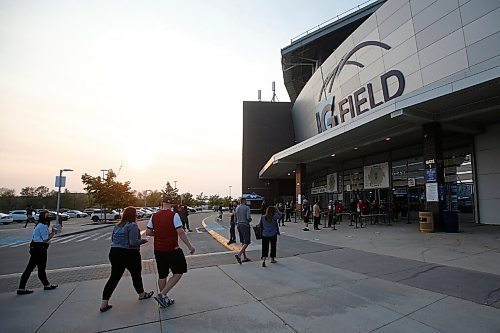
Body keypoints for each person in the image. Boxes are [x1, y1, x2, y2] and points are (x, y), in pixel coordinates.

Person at [100, 206, 152, 312]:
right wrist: (144, 241)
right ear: (133, 215)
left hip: (114, 252)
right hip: (130, 254)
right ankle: (141, 294)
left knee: (113, 278)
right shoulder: (132, 226)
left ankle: (103, 304)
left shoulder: (117, 225)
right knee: (136, 275)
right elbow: (133, 242)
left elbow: (112, 239)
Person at [147, 197, 195, 308]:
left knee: (162, 274)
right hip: (172, 249)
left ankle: (163, 298)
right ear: (171, 204)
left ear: (161, 203)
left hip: (158, 250)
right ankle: (162, 294)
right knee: (179, 271)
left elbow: (149, 232)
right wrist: (190, 246)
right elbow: (180, 232)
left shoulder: (154, 216)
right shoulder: (174, 215)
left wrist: (159, 234)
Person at [17, 211, 58, 295]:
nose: (49, 216)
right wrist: (53, 233)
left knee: (34, 268)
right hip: (40, 249)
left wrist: (52, 233)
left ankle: (46, 285)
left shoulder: (40, 225)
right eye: (48, 215)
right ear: (44, 217)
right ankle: (22, 288)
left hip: (36, 248)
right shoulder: (42, 226)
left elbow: (43, 237)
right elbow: (45, 239)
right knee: (37, 268)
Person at [235, 197, 252, 264]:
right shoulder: (247, 208)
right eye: (246, 201)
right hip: (245, 225)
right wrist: (250, 220)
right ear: (244, 201)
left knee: (242, 241)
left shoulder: (237, 208)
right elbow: (248, 218)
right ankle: (239, 255)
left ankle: (244, 257)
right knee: (247, 242)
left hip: (239, 225)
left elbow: (236, 218)